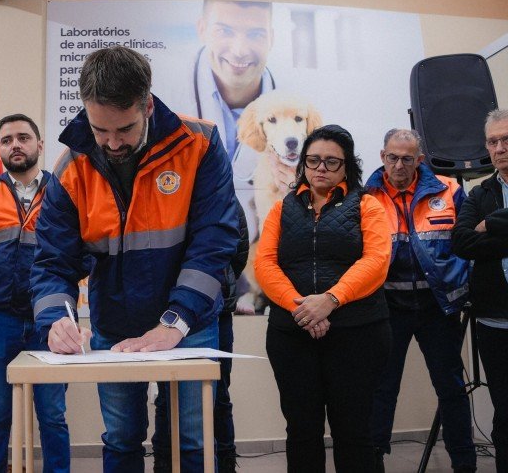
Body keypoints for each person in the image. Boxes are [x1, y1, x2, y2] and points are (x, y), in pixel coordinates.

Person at [31, 46, 239, 473]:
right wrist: (58, 318)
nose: (111, 143)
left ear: (147, 104)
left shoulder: (199, 143)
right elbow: (53, 260)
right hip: (115, 327)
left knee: (192, 443)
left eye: (124, 129)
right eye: (99, 130)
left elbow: (214, 240)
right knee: (122, 441)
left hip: (191, 323)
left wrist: (175, 320)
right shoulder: (71, 166)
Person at [255, 124, 392, 472]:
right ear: (302, 163)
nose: (321, 168)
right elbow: (266, 263)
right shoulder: (282, 209)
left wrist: (329, 300)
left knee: (354, 432)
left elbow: (376, 261)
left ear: (347, 167)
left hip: (357, 334)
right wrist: (303, 309)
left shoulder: (368, 206)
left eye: (332, 162)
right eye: (313, 160)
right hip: (292, 335)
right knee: (301, 432)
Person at [0, 113, 70, 473]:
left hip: (50, 322)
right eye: (6, 140)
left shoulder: (65, 195)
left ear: (39, 144)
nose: (15, 145)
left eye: (23, 137)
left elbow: (77, 252)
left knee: (52, 415)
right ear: (0, 148)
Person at [365, 129, 475, 473]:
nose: (399, 165)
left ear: (420, 160)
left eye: (407, 158)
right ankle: (373, 464)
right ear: (383, 156)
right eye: (393, 157)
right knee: (381, 392)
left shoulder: (450, 190)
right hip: (387, 309)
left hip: (437, 308)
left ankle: (465, 465)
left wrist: (460, 282)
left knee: (452, 390)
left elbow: (468, 244)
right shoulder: (365, 197)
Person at [151, 199, 248, 473]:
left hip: (213, 311)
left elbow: (237, 251)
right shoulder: (164, 196)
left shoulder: (223, 196)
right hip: (167, 312)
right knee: (164, 395)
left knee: (217, 393)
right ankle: (164, 463)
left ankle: (225, 463)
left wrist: (212, 288)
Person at [168, 0, 275, 240]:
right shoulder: (164, 97)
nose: (239, 50)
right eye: (224, 31)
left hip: (262, 259)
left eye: (256, 34)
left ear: (272, 38)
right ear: (202, 29)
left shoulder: (303, 109)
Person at [452, 108, 508, 473]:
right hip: (495, 322)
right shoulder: (479, 192)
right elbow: (462, 241)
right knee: (505, 410)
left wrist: (494, 226)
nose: (500, 148)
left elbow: (479, 236)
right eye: (493, 141)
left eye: (507, 140)